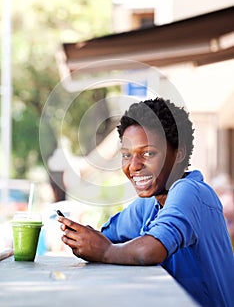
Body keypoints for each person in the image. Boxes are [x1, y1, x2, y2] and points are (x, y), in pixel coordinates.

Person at [58, 97, 234, 307]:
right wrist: (84, 239)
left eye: (148, 153)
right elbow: (108, 237)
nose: (134, 166)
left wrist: (104, 251)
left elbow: (149, 250)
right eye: (126, 155)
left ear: (179, 154)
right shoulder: (150, 203)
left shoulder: (190, 192)